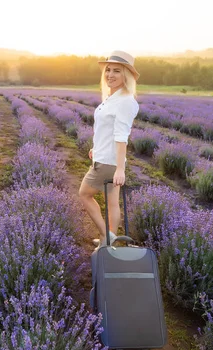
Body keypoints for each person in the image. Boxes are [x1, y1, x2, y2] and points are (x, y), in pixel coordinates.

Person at [78, 50, 140, 248]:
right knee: (112, 202)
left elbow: (121, 136)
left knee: (84, 194)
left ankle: (108, 237)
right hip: (105, 156)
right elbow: (106, 129)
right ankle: (108, 240)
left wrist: (120, 169)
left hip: (108, 162)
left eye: (117, 71)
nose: (110, 75)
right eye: (108, 70)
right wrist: (96, 148)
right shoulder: (114, 97)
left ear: (126, 76)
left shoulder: (125, 101)